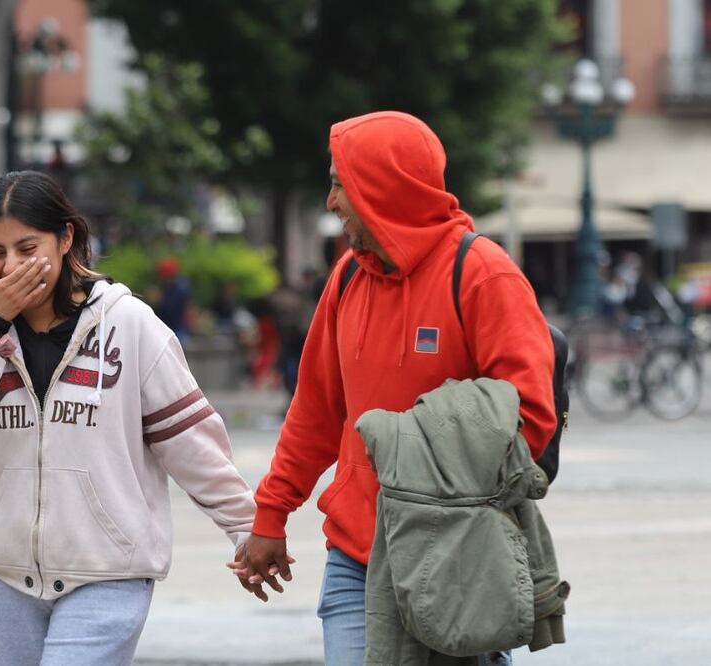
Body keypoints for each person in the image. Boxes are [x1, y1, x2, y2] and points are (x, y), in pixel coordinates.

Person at [230, 112, 557, 666]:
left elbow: (531, 420)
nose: (331, 201)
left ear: (383, 188)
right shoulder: (347, 277)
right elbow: (315, 411)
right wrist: (271, 514)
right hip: (355, 557)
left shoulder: (484, 274)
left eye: (341, 184)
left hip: (456, 554)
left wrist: (415, 452)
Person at [0, 171, 255, 666]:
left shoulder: (129, 324)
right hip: (3, 575)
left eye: (27, 248)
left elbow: (189, 441)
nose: (12, 266)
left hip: (108, 573)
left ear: (65, 238)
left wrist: (249, 529)